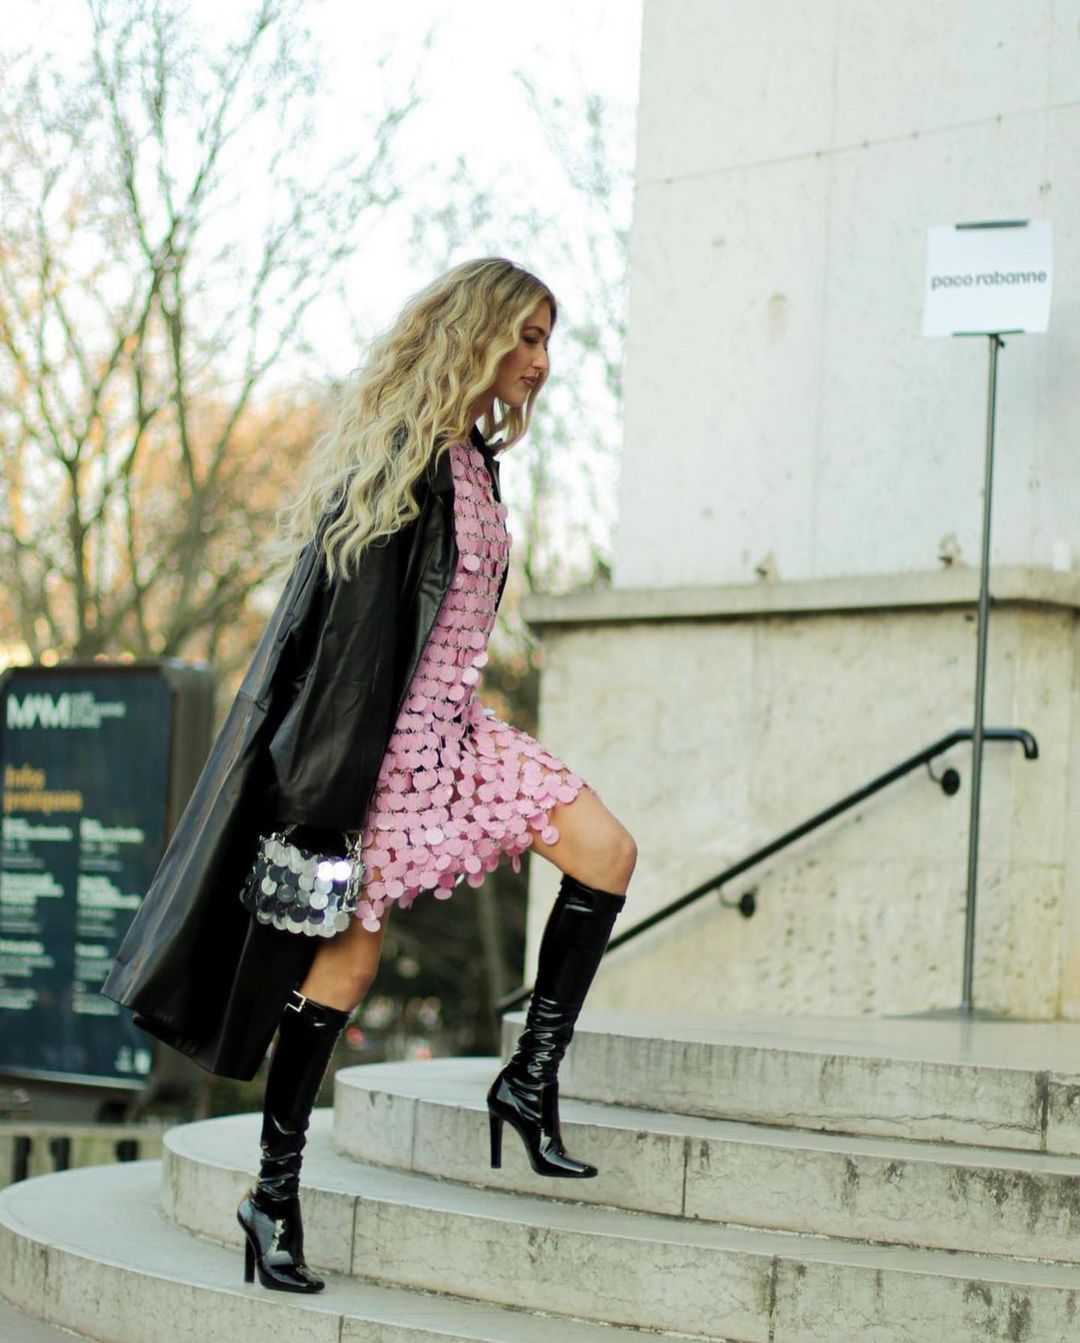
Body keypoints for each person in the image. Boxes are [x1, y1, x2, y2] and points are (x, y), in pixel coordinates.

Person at [101, 258, 637, 1295]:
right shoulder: (401, 460)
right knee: (343, 972)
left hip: (461, 735)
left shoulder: (474, 461)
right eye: (526, 337)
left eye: (547, 341)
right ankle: (273, 1194)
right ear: (477, 333)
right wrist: (324, 805)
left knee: (606, 851)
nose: (540, 361)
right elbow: (345, 650)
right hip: (381, 756)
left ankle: (528, 1080)